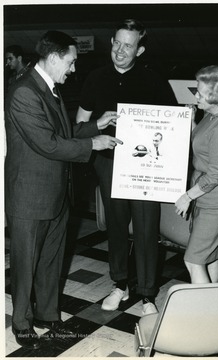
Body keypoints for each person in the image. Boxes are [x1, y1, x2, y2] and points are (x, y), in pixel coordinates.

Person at [5, 30, 122, 350]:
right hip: (29, 194)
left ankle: (46, 314)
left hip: (55, 191)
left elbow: (63, 131)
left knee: (52, 260)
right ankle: (21, 321)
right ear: (54, 57)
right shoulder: (24, 92)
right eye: (70, 62)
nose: (73, 69)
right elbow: (47, 143)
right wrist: (92, 143)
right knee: (26, 262)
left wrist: (95, 125)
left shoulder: (50, 88)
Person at [76, 19, 176, 316]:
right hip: (108, 165)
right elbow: (80, 125)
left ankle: (147, 294)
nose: (120, 50)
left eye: (128, 46)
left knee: (146, 230)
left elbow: (172, 125)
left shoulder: (154, 79)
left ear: (140, 50)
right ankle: (119, 284)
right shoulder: (95, 77)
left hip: (145, 169)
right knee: (116, 227)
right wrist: (97, 130)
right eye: (116, 43)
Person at [175, 65, 218, 284]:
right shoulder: (216, 112)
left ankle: (205, 313)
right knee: (210, 253)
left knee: (193, 259)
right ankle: (215, 300)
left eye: (201, 94)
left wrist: (187, 196)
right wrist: (193, 120)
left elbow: (216, 175)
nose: (195, 95)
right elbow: (205, 140)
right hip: (209, 191)